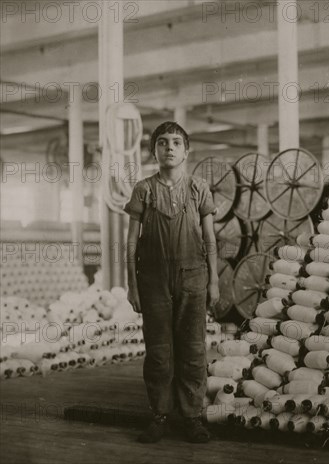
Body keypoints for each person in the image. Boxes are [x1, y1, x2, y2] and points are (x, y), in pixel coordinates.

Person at [124, 121, 219, 443]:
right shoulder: (143, 189)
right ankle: (159, 416)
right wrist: (132, 285)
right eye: (162, 142)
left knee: (193, 351)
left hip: (194, 278)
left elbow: (210, 239)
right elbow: (130, 243)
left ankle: (192, 418)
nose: (169, 148)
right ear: (154, 151)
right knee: (160, 353)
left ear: (186, 150)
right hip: (152, 281)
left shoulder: (198, 188)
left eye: (176, 142)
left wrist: (214, 282)